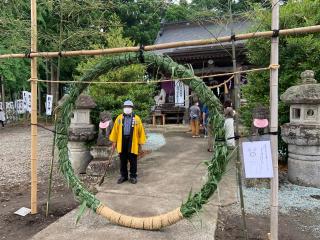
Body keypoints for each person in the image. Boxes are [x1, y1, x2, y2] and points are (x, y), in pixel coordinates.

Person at [109, 100, 146, 184]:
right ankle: (124, 176)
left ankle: (133, 176)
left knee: (133, 159)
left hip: (133, 141)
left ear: (132, 108)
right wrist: (114, 141)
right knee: (123, 159)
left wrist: (140, 144)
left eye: (129, 107)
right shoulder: (119, 118)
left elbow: (141, 131)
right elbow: (115, 130)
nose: (127, 108)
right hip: (121, 141)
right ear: (123, 108)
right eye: (126, 107)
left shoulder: (137, 119)